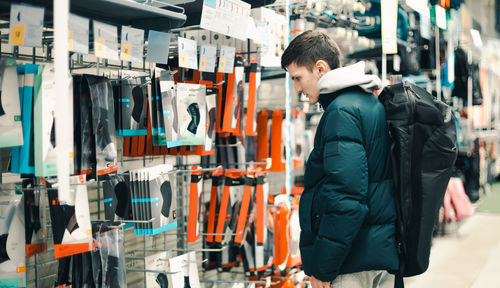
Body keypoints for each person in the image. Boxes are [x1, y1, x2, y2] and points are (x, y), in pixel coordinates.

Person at [281, 30, 398, 288]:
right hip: (372, 251)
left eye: (298, 78)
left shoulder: (342, 112)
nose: (297, 88)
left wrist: (323, 269)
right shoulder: (364, 101)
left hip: (352, 262)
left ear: (320, 68)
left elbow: (345, 200)